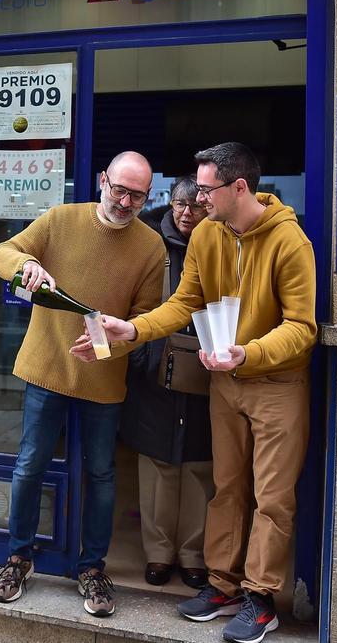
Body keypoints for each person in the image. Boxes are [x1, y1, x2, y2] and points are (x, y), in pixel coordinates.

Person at [72, 143, 316, 643]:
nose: (197, 197)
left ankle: (261, 598)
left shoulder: (291, 242)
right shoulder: (207, 234)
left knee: (272, 497)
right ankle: (224, 584)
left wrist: (248, 354)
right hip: (225, 383)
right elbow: (185, 302)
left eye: (206, 189)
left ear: (239, 188)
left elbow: (302, 327)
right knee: (227, 488)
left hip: (275, 384)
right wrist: (134, 330)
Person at [0, 151, 166, 618]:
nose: (125, 201)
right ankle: (18, 558)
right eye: (119, 188)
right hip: (46, 369)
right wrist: (24, 267)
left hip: (104, 376)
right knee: (29, 466)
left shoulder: (151, 247)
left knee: (102, 475)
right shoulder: (61, 218)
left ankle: (91, 568)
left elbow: (145, 321)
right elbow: (0, 253)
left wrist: (110, 344)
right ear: (102, 180)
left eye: (137, 195)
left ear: (148, 196)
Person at [118, 176, 213, 590]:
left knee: (199, 464)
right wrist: (140, 356)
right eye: (180, 205)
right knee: (156, 462)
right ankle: (158, 553)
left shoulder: (223, 242)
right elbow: (126, 296)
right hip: (155, 367)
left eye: (196, 205)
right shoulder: (148, 242)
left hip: (208, 366)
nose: (187, 213)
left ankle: (194, 555)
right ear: (169, 203)